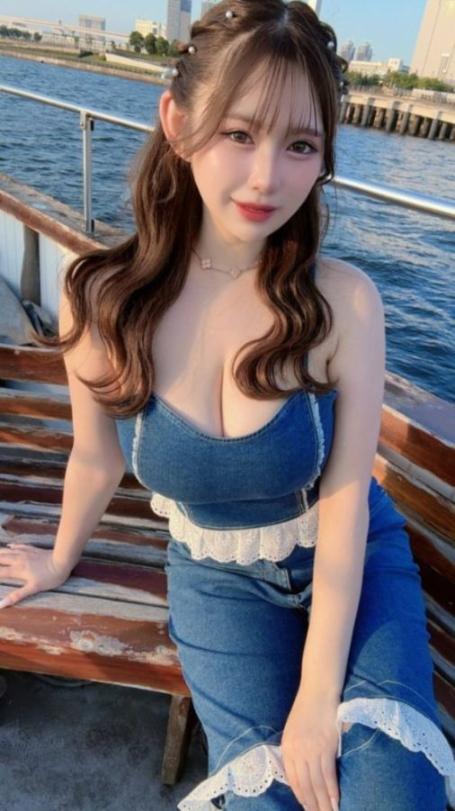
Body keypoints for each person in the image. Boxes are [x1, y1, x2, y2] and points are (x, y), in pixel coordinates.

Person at [0, 1, 454, 809]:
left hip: (350, 562)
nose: (266, 176)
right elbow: (96, 458)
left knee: (392, 792)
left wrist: (316, 699)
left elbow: (345, 501)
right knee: (263, 798)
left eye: (300, 145)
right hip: (216, 581)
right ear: (177, 122)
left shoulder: (341, 302)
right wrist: (60, 559)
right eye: (239, 133)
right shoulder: (103, 302)